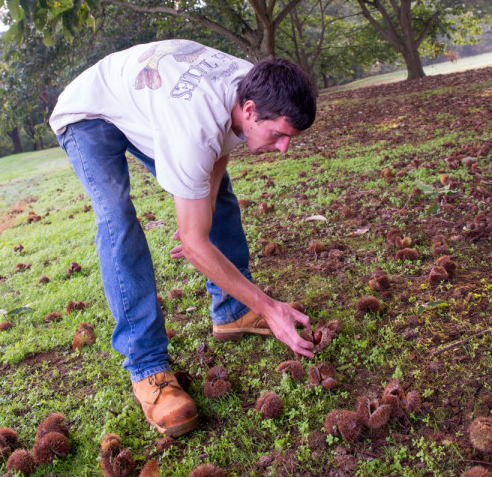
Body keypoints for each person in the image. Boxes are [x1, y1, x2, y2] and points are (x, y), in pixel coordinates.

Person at [49, 40, 317, 436]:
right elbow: (194, 244)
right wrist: (270, 307)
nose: (284, 148)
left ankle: (231, 311)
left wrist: (202, 208)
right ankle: (147, 367)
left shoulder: (252, 84)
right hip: (88, 113)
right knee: (117, 218)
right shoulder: (194, 125)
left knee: (217, 192)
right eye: (278, 135)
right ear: (249, 110)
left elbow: (220, 148)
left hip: (145, 101)